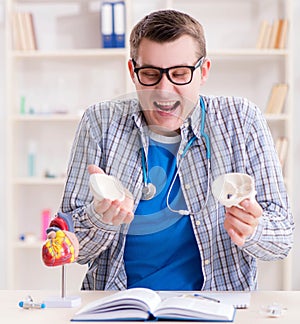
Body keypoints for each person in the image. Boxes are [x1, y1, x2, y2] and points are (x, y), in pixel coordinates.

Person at [54, 9, 294, 291]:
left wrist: (254, 229)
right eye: (150, 74)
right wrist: (100, 218)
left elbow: (282, 241)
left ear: (203, 72)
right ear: (133, 72)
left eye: (179, 74)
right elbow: (72, 248)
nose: (164, 90)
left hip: (215, 309)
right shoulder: (100, 123)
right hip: (120, 307)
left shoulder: (242, 121)